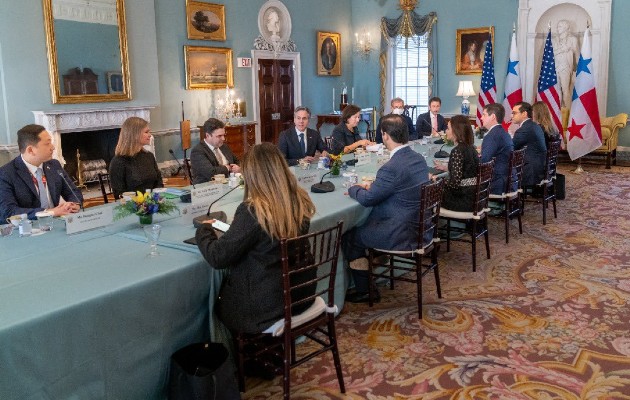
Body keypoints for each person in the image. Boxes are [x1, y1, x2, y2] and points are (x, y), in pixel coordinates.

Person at [195, 143, 316, 334]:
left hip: (265, 307)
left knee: (211, 305)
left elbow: (218, 257)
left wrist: (204, 230)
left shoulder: (253, 210)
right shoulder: (299, 200)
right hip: (301, 293)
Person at [343, 114, 429, 303]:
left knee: (350, 236)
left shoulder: (392, 167)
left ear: (385, 136)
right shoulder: (418, 159)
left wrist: (353, 188)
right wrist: (374, 186)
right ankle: (376, 270)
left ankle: (364, 290)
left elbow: (368, 199)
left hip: (401, 232)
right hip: (421, 227)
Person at [0, 124, 82, 221]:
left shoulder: (54, 165)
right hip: (27, 229)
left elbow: (73, 192)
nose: (53, 147)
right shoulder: (6, 174)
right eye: (47, 144)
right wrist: (51, 212)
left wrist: (74, 204)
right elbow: (9, 212)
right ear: (30, 150)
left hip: (56, 223)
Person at [431, 116, 479, 211]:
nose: (446, 131)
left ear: (456, 130)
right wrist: (448, 168)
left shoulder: (457, 151)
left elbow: (454, 184)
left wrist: (436, 179)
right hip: (474, 197)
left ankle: (429, 223)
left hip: (462, 200)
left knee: (428, 192)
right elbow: (467, 169)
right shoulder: (471, 147)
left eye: (448, 128)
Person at [109, 117, 163, 198]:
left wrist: (156, 199)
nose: (150, 135)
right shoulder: (118, 162)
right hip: (133, 207)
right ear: (135, 135)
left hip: (153, 203)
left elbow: (159, 182)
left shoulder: (149, 156)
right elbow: (119, 194)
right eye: (146, 132)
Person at [190, 117, 240, 185]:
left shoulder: (224, 146)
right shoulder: (198, 151)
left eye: (224, 135)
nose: (223, 138)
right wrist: (227, 168)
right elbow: (211, 173)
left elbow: (237, 161)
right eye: (219, 136)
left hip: (229, 184)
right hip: (208, 189)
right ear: (208, 135)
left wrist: (238, 168)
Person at [511, 102, 548, 187]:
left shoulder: (525, 129)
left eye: (514, 113)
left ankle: (500, 195)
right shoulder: (533, 125)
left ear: (524, 114)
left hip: (530, 170)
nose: (511, 116)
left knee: (499, 166)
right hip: (539, 167)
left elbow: (510, 148)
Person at [480, 103, 513, 195]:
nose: (481, 118)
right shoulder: (503, 133)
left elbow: (484, 162)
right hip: (508, 182)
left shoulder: (492, 136)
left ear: (493, 117)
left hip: (496, 184)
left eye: (484, 115)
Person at [552, 20, 579, 108]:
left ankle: (567, 112)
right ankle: (558, 113)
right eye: (558, 26)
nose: (557, 28)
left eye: (559, 26)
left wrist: (578, 70)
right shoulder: (554, 40)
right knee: (557, 90)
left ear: (565, 28)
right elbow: (551, 54)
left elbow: (577, 54)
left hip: (566, 67)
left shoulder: (572, 39)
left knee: (565, 89)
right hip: (555, 67)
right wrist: (563, 49)